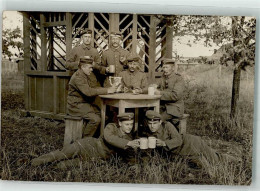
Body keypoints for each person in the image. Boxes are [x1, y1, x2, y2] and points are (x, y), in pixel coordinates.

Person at [31, 113, 140, 167]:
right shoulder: (111, 127)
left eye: (131, 124)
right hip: (87, 146)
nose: (129, 127)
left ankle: (46, 166)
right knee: (61, 155)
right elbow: (109, 138)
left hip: (94, 159)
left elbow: (129, 159)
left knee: (62, 166)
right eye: (126, 124)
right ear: (120, 123)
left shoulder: (129, 138)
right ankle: (32, 162)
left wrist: (136, 153)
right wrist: (128, 143)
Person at [142, 110, 239, 169]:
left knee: (215, 160)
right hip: (179, 153)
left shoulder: (167, 125)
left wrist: (163, 143)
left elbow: (178, 140)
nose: (152, 126)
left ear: (160, 122)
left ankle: (236, 160)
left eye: (155, 123)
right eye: (150, 123)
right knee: (200, 164)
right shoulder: (147, 131)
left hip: (190, 143)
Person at [67, 57, 117, 137]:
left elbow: (94, 88)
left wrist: (108, 89)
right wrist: (107, 90)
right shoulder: (78, 77)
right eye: (90, 68)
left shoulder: (85, 75)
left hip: (84, 104)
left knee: (104, 117)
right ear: (83, 67)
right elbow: (88, 92)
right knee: (95, 119)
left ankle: (95, 138)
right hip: (76, 106)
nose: (91, 70)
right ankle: (85, 142)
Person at [153, 59, 185, 126]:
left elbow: (175, 96)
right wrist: (142, 90)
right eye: (163, 67)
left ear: (173, 68)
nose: (164, 70)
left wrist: (160, 93)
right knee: (148, 114)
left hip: (174, 108)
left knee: (156, 120)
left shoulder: (178, 79)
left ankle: (164, 135)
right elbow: (154, 86)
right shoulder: (163, 77)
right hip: (163, 107)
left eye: (167, 67)